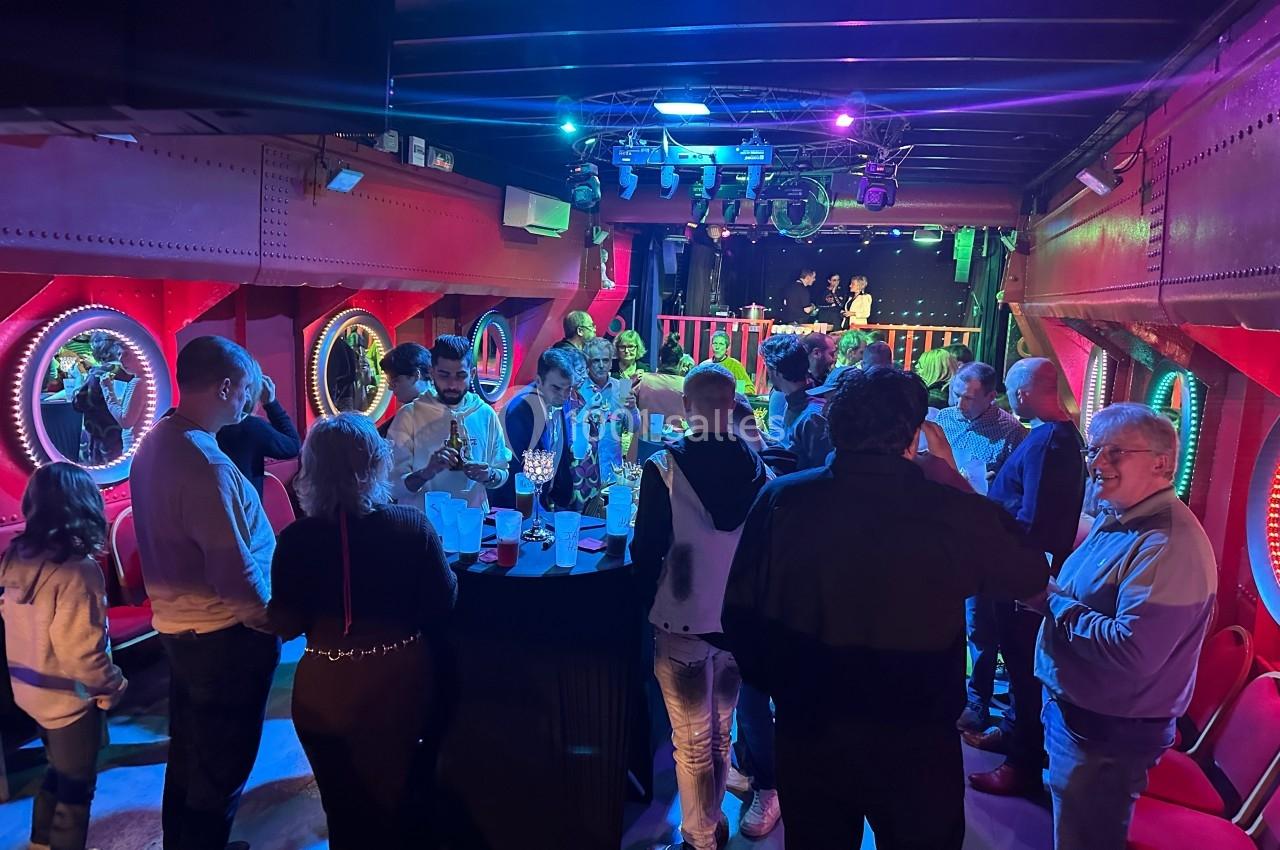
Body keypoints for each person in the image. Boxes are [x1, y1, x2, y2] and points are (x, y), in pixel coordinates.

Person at [722, 366, 1049, 850]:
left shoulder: (783, 500)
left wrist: (784, 689)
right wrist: (953, 480)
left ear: (834, 425)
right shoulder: (947, 508)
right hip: (915, 738)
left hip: (812, 729)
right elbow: (1028, 573)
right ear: (916, 434)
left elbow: (741, 614)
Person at [268, 413, 458, 850]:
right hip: (400, 681)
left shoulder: (295, 540)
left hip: (325, 688)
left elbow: (286, 624)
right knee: (402, 806)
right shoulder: (412, 528)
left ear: (311, 470)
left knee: (342, 810)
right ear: (377, 464)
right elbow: (441, 604)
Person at [1036, 403, 1216, 850]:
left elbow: (1130, 652)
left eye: (1115, 453)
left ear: (1161, 463)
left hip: (1107, 733)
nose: (1097, 464)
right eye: (1095, 450)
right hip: (1084, 717)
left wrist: (1051, 600)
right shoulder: (1120, 516)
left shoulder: (1168, 544)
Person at [129, 335, 279, 850]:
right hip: (226, 638)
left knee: (190, 758)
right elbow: (234, 573)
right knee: (223, 768)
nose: (245, 402)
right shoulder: (205, 464)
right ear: (224, 386)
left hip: (180, 631)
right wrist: (270, 621)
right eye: (244, 391)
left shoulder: (155, 442)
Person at [632, 364, 773, 850]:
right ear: (732, 407)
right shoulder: (761, 469)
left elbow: (646, 549)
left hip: (682, 617)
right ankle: (711, 821)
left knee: (690, 742)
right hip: (737, 622)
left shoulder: (664, 467)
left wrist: (645, 599)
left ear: (688, 408)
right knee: (719, 732)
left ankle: (698, 838)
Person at [967, 358, 1087, 797]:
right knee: (1019, 670)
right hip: (1021, 572)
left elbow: (1037, 520)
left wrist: (985, 513)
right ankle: (1014, 734)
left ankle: (1021, 764)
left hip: (1020, 577)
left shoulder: (1049, 442)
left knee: (1022, 670)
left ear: (1021, 394)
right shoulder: (1058, 437)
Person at [0, 463, 128, 850]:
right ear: (83, 505)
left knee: (56, 773)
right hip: (68, 697)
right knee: (76, 791)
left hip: (29, 689)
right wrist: (112, 686)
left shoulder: (16, 556)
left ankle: (40, 843)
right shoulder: (78, 571)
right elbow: (83, 653)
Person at [934, 361, 1028, 734]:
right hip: (939, 534)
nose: (960, 405)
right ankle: (944, 693)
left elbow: (1018, 492)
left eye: (970, 399)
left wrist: (993, 486)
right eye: (957, 394)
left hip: (978, 538)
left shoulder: (1012, 432)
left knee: (979, 626)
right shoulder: (942, 418)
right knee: (940, 620)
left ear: (992, 396)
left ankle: (978, 701)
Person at [388, 335, 511, 511]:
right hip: (423, 528)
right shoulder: (408, 416)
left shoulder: (485, 414)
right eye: (444, 375)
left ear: (472, 374)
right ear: (431, 372)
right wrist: (426, 472)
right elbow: (392, 487)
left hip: (473, 523)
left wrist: (488, 475)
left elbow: (502, 472)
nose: (452, 384)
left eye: (461, 376)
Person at [497, 347, 577, 511]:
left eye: (568, 388)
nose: (564, 395)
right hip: (516, 508)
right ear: (539, 381)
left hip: (545, 501)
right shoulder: (518, 412)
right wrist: (535, 512)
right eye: (556, 388)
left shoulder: (562, 398)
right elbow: (515, 472)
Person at [572, 337, 639, 510]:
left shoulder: (622, 387)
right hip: (583, 475)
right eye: (596, 360)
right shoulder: (577, 389)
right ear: (588, 363)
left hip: (612, 473)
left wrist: (632, 409)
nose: (601, 365)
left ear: (611, 363)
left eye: (605, 360)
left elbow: (633, 428)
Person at [216, 374, 301, 498]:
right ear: (248, 394)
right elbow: (293, 446)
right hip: (245, 513)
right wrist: (271, 403)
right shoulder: (251, 428)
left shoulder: (200, 423)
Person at [761, 334, 830, 472]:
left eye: (766, 367)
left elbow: (822, 472)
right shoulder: (792, 402)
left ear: (774, 370)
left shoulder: (812, 416)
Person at [71, 332, 134, 464]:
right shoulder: (131, 371)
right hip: (126, 436)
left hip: (102, 437)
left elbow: (79, 403)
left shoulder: (99, 373)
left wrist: (77, 378)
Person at [635, 333, 689, 434]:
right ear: (681, 361)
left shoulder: (642, 380)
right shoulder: (687, 385)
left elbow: (624, 404)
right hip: (676, 443)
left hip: (645, 442)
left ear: (660, 359)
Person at [378, 342, 433, 437]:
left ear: (416, 375)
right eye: (389, 381)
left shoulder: (410, 412)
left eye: (394, 381)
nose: (390, 387)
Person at [700, 330, 752, 395]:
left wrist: (729, 391)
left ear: (727, 347)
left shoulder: (735, 365)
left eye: (721, 344)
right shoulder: (704, 365)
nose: (717, 347)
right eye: (715, 343)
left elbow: (749, 388)